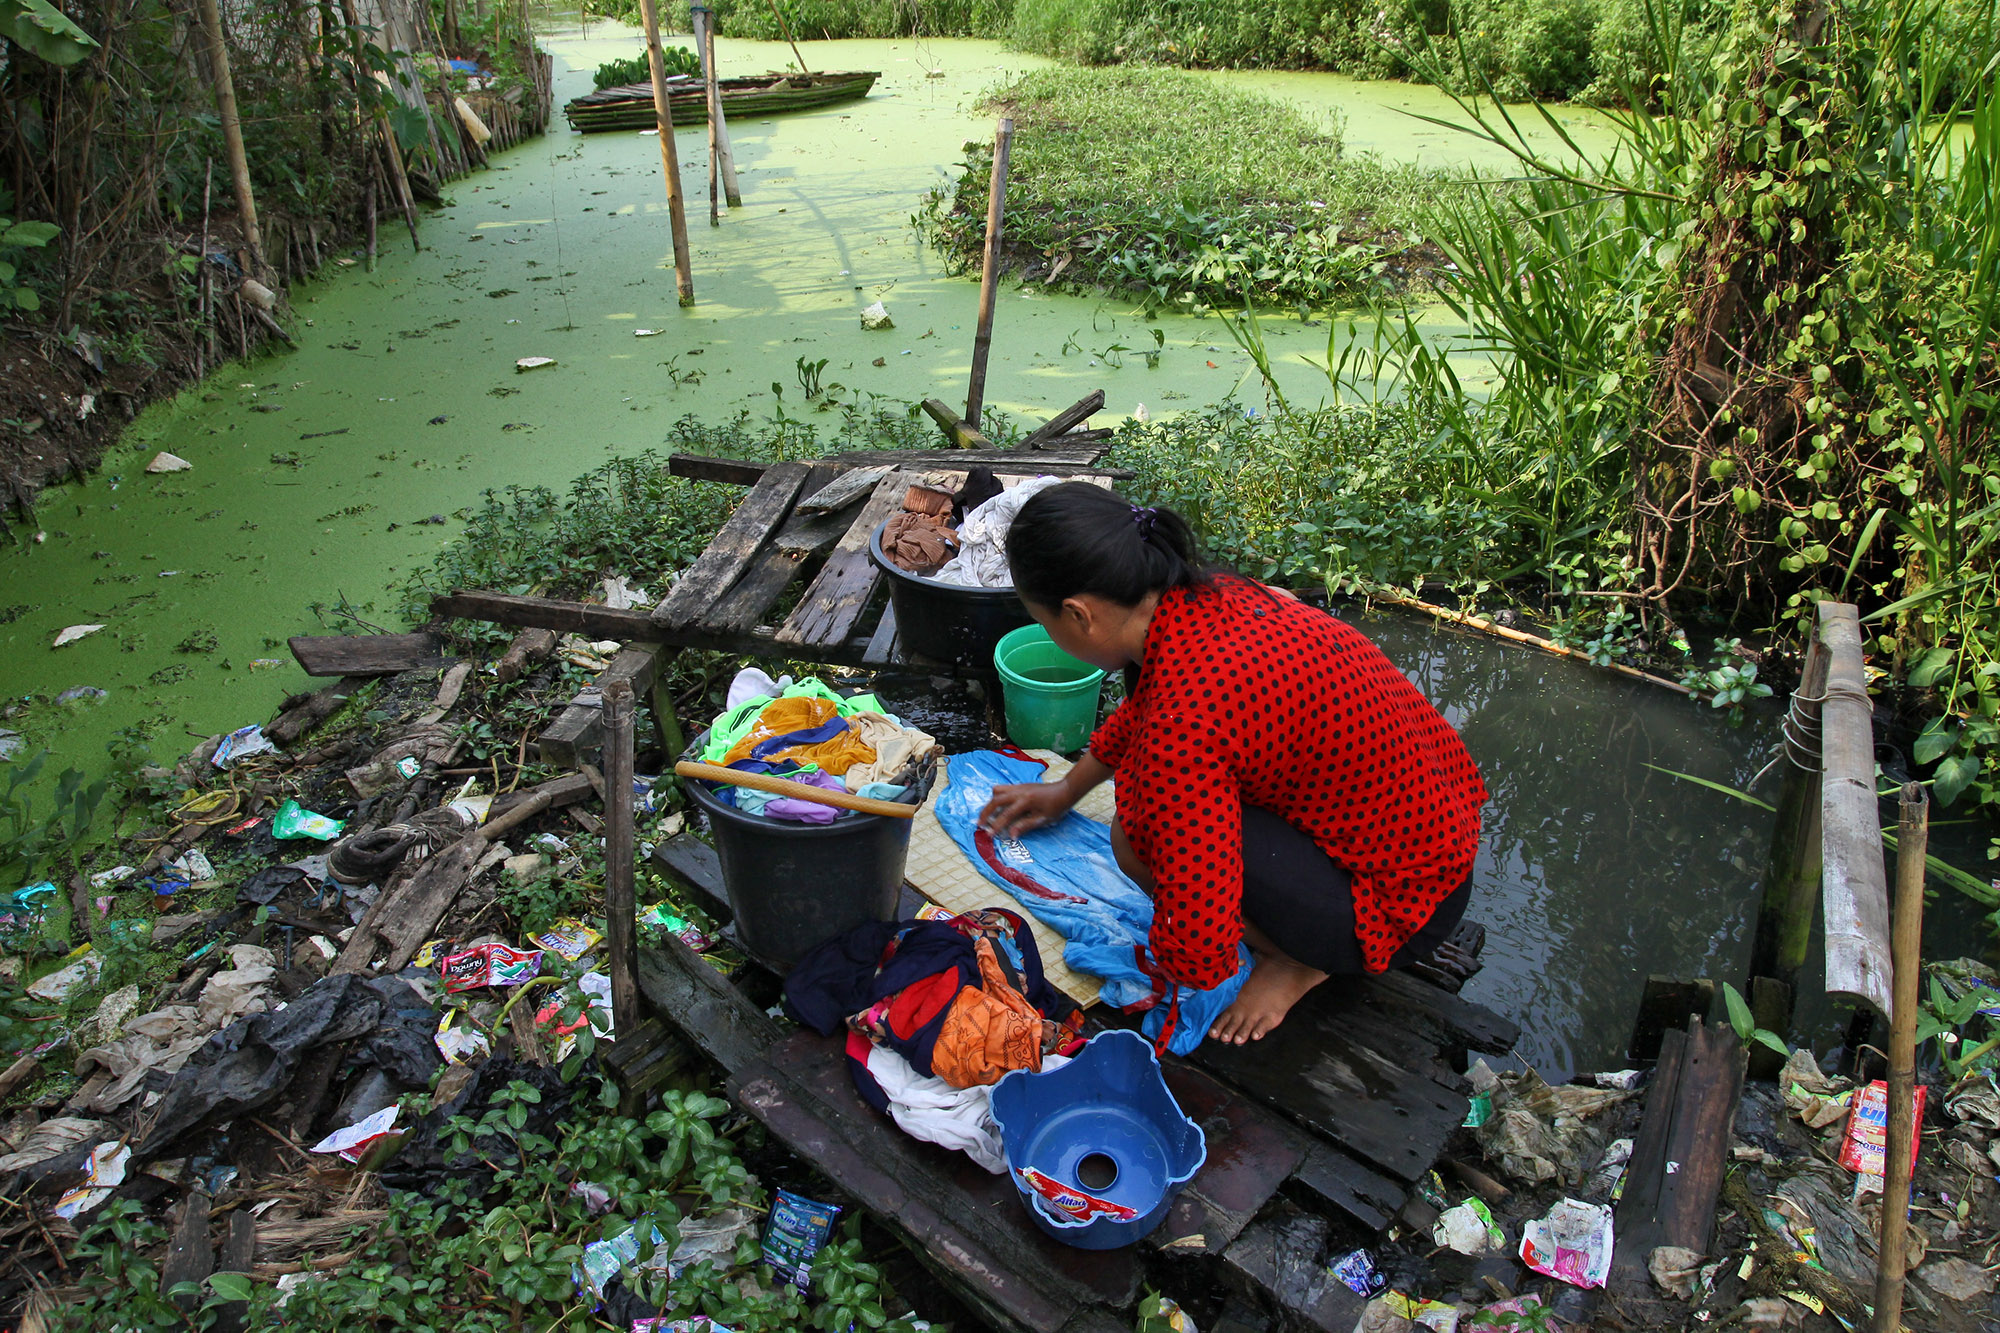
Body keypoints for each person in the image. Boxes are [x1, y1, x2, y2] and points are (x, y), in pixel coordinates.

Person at [978, 483, 1487, 1045]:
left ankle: (1297, 961)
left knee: (1135, 833)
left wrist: (1177, 969)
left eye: (1047, 625)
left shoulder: (1185, 722)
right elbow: (1144, 709)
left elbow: (1198, 930)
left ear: (1079, 615)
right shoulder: (1208, 596)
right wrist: (1067, 789)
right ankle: (1307, 938)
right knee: (1168, 808)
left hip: (1398, 907)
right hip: (1438, 843)